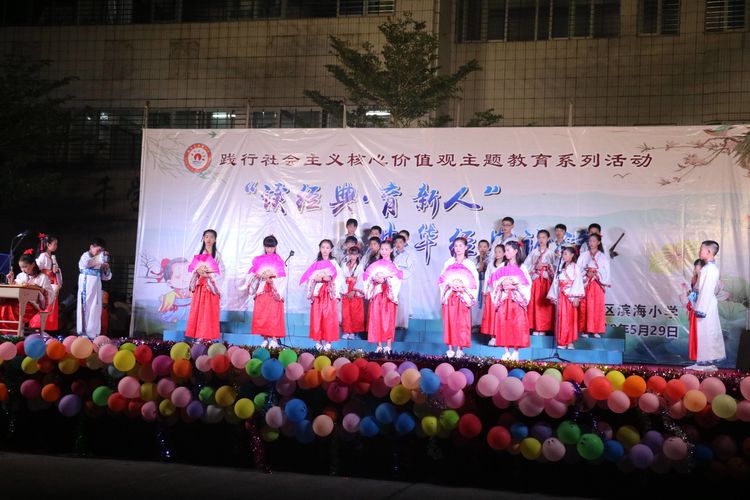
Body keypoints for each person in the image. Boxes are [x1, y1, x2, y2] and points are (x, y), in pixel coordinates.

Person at [688, 240, 725, 371]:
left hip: (706, 305)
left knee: (706, 333)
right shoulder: (708, 268)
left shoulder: (710, 269)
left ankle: (705, 363)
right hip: (706, 303)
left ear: (709, 251)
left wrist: (701, 309)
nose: (699, 251)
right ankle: (703, 362)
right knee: (706, 333)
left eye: (701, 249)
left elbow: (706, 290)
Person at [439, 237, 479, 359]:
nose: (458, 248)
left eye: (461, 246)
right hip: (450, 295)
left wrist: (463, 286)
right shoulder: (449, 262)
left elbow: (474, 281)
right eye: (456, 246)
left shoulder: (469, 264)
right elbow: (442, 279)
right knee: (450, 321)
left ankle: (460, 349)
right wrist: (450, 284)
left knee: (462, 322)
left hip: (463, 296)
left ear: (466, 247)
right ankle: (450, 348)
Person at [491, 241, 532, 361]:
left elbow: (527, 284)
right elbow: (494, 281)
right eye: (505, 250)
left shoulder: (522, 267)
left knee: (517, 325)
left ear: (515, 251)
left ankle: (515, 351)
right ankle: (506, 351)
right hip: (504, 299)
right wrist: (502, 283)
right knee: (504, 324)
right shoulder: (501, 266)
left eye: (508, 250)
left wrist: (514, 284)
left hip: (516, 300)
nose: (506, 253)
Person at [304, 239, 344, 351]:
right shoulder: (315, 263)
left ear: (331, 249)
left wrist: (330, 278)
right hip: (318, 293)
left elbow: (339, 278)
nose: (325, 250)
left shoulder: (334, 263)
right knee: (317, 316)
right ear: (320, 248)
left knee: (328, 317)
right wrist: (315, 278)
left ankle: (328, 342)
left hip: (329, 293)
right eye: (323, 247)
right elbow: (309, 278)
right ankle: (318, 342)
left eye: (327, 248)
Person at [247, 235, 286, 349]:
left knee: (273, 315)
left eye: (272, 247)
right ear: (264, 246)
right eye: (267, 247)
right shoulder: (259, 259)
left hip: (273, 292)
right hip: (262, 291)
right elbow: (252, 273)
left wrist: (272, 279)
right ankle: (264, 339)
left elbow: (282, 276)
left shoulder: (278, 260)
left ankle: (274, 339)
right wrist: (260, 275)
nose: (269, 249)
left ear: (275, 247)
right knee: (262, 314)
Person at [185, 230, 224, 342]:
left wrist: (209, 275)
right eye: (206, 237)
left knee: (209, 312)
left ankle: (208, 337)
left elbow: (221, 272)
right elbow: (192, 269)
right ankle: (199, 336)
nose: (208, 239)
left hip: (211, 288)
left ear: (215, 240)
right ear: (203, 239)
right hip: (200, 287)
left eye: (211, 237)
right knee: (199, 310)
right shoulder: (199, 255)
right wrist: (197, 271)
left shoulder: (217, 255)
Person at [0, 252, 54, 333]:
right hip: (18, 300)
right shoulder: (21, 276)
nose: (23, 270)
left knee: (14, 308)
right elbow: (16, 288)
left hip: (32, 304)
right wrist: (11, 281)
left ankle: (12, 333)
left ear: (33, 265)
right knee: (4, 305)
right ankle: (3, 331)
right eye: (21, 267)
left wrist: (38, 288)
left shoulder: (43, 277)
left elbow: (49, 294)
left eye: (25, 267)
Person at [364, 240, 401, 354]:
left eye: (386, 249)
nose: (384, 251)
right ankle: (379, 345)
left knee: (388, 320)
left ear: (391, 250)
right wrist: (374, 279)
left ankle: (388, 346)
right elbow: (367, 278)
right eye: (382, 249)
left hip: (388, 296)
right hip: (377, 295)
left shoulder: (394, 266)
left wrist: (385, 280)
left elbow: (397, 281)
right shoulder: (375, 265)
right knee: (376, 318)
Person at [547, 246, 584, 350]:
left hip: (570, 295)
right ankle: (561, 341)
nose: (564, 256)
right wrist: (554, 295)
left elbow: (578, 281)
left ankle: (570, 341)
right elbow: (556, 281)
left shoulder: (575, 267)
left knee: (570, 318)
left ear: (572, 255)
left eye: (566, 254)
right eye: (563, 253)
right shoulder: (560, 267)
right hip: (560, 295)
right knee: (560, 318)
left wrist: (576, 297)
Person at [76, 238, 112, 338]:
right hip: (86, 283)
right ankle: (84, 332)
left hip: (96, 285)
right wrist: (102, 257)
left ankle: (93, 332)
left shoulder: (99, 259)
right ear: (91, 247)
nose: (99, 252)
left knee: (96, 307)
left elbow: (106, 277)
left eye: (101, 251)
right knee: (86, 306)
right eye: (98, 250)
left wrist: (106, 268)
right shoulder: (85, 256)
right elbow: (87, 263)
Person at [577, 233, 610, 338]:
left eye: (594, 241)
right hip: (586, 283)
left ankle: (596, 330)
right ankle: (585, 330)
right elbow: (578, 269)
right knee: (585, 306)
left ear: (598, 242)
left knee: (597, 306)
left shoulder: (603, 257)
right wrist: (586, 273)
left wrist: (595, 273)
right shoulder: (583, 255)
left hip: (597, 284)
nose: (591, 243)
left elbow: (606, 271)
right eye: (590, 241)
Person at [524, 230, 555, 336]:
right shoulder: (533, 253)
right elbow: (525, 266)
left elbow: (556, 267)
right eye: (539, 237)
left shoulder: (551, 253)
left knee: (544, 305)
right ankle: (534, 327)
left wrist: (547, 266)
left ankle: (544, 328)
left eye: (543, 237)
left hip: (546, 281)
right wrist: (535, 267)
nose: (541, 240)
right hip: (536, 280)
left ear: (548, 239)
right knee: (534, 304)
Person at [29, 234, 62, 331]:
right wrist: (48, 272)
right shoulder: (43, 256)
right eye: (54, 244)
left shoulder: (52, 257)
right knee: (43, 304)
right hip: (44, 283)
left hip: (50, 283)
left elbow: (54, 270)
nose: (56, 246)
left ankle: (46, 328)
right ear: (48, 244)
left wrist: (56, 271)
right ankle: (38, 327)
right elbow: (36, 269)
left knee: (50, 305)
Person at [482, 244, 505, 346]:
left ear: (504, 253)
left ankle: (500, 337)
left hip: (501, 294)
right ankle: (492, 337)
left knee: (500, 315)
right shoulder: (491, 264)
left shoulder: (506, 265)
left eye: (500, 252)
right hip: (491, 292)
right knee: (491, 315)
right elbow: (487, 278)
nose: (497, 254)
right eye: (496, 251)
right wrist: (484, 291)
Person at [341, 245, 365, 340]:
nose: (353, 256)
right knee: (346, 311)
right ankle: (346, 331)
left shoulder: (360, 266)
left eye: (355, 254)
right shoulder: (344, 265)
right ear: (348, 254)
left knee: (355, 312)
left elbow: (361, 279)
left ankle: (353, 332)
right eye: (351, 254)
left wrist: (354, 291)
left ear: (358, 255)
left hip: (355, 289)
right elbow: (341, 278)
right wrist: (344, 290)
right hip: (346, 288)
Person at [682, 259, 703, 364]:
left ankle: (702, 357)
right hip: (694, 308)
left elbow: (699, 296)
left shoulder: (705, 279)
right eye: (695, 266)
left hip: (701, 309)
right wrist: (688, 291)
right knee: (694, 333)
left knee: (701, 333)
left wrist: (691, 295)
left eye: (697, 266)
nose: (696, 268)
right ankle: (696, 357)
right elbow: (693, 295)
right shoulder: (695, 278)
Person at [393, 234, 414, 330]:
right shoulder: (391, 253)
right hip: (392, 280)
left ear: (404, 243)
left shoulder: (407, 255)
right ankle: (392, 322)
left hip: (402, 280)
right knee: (393, 300)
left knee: (402, 301)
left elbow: (411, 269)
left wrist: (400, 273)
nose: (398, 244)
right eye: (396, 242)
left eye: (400, 242)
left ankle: (402, 324)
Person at [472, 239, 491, 327]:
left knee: (484, 303)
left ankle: (484, 325)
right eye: (481, 247)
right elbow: (475, 271)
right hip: (477, 283)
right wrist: (480, 262)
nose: (483, 249)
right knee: (476, 303)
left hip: (486, 283)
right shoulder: (475, 259)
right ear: (478, 248)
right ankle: (475, 323)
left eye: (485, 247)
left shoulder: (491, 259)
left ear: (488, 248)